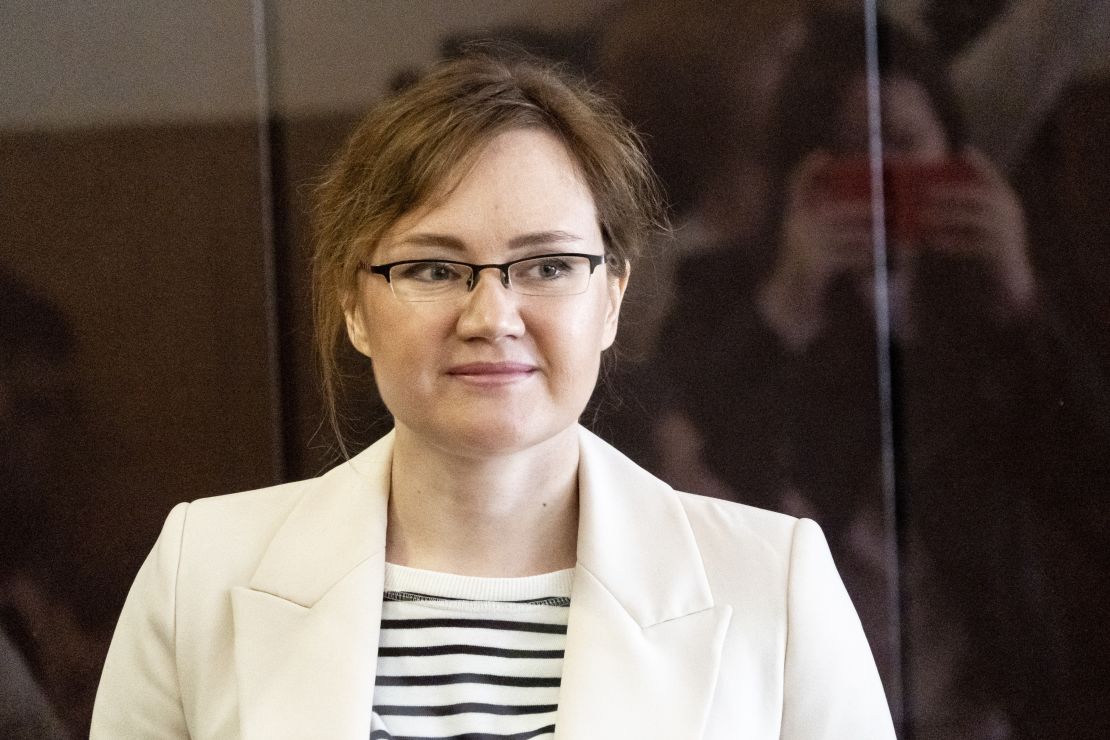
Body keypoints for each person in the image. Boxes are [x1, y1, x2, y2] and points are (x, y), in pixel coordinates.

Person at [90, 53, 895, 739]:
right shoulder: (200, 572)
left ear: (611, 297)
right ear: (352, 306)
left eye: (546, 266)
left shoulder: (772, 582)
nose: (491, 318)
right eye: (433, 268)